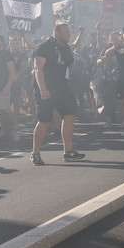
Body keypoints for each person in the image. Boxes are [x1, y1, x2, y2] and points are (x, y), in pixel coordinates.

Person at [31, 23, 84, 165]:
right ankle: (35, 153)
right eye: (66, 32)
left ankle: (68, 151)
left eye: (69, 31)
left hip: (61, 87)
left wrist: (64, 81)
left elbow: (70, 66)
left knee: (69, 114)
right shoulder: (44, 47)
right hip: (46, 88)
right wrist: (43, 89)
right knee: (45, 120)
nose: (69, 34)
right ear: (57, 33)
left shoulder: (65, 47)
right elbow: (38, 69)